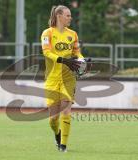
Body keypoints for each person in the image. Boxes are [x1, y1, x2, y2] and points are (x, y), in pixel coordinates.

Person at [41, 5, 84, 152]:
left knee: (66, 112)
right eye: (67, 15)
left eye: (70, 15)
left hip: (68, 78)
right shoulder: (47, 33)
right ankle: (57, 134)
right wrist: (62, 60)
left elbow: (77, 52)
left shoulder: (73, 34)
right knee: (53, 119)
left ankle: (63, 145)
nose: (70, 18)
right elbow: (46, 52)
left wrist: (82, 60)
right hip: (52, 79)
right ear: (59, 16)